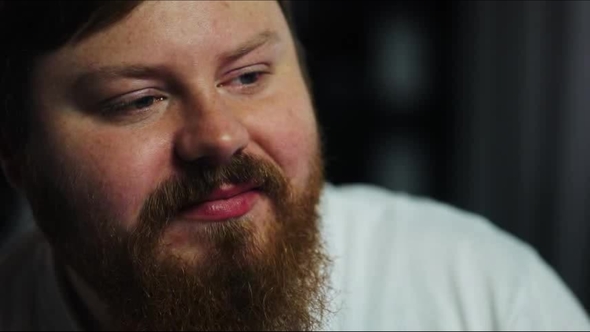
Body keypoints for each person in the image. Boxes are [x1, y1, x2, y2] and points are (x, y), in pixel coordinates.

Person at [0, 1, 588, 330]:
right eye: (138, 101)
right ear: (19, 157)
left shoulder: (488, 300)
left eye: (249, 76)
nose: (220, 136)